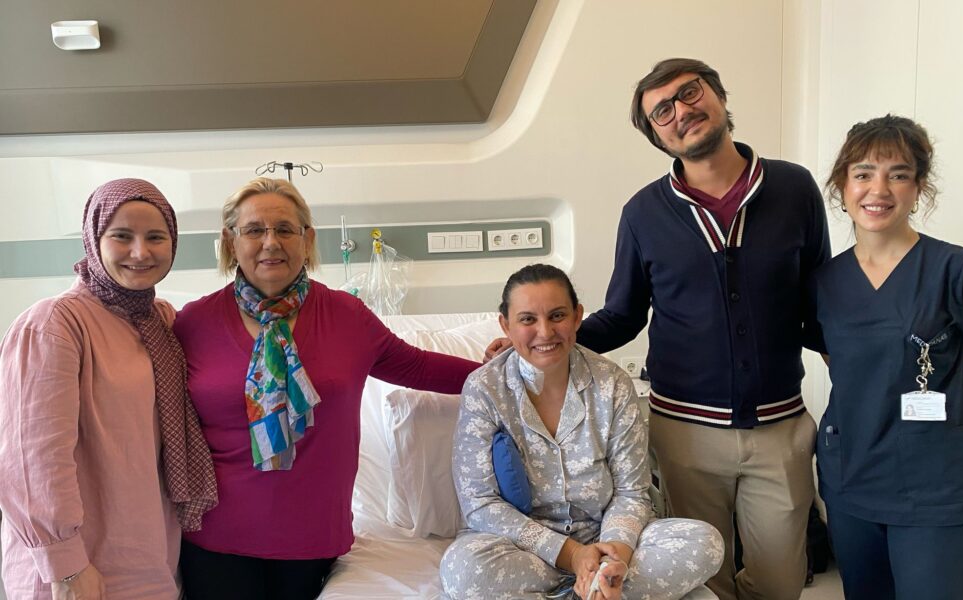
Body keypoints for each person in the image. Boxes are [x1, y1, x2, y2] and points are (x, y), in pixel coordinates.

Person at [488, 58, 830, 600]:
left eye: (689, 93)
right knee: (704, 578)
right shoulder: (644, 213)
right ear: (657, 136)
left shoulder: (793, 188)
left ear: (717, 94)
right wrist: (540, 341)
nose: (681, 112)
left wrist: (859, 361)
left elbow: (820, 299)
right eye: (662, 112)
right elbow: (624, 315)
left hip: (779, 425)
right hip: (685, 430)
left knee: (780, 582)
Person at [172, 177, 481, 600]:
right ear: (230, 241)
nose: (270, 242)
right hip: (215, 536)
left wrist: (504, 372)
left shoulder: (347, 316)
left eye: (285, 229)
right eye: (254, 230)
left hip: (311, 535)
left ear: (308, 239)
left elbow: (419, 366)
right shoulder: (192, 323)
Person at [805, 115, 963, 599]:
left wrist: (940, 439)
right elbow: (847, 369)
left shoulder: (961, 270)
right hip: (850, 479)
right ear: (843, 185)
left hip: (939, 491)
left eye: (899, 175)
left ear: (918, 188)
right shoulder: (824, 283)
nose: (879, 189)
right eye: (863, 173)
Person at [443, 263, 724, 600]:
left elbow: (631, 492)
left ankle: (597, 587)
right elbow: (479, 502)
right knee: (464, 570)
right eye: (528, 319)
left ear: (577, 316)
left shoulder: (612, 384)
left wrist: (613, 560)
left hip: (606, 539)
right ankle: (594, 592)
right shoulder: (485, 389)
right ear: (506, 325)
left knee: (705, 543)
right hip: (523, 551)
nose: (545, 332)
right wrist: (573, 555)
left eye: (557, 316)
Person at [0, 179, 218, 600]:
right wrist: (66, 567)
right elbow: (31, 461)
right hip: (81, 568)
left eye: (155, 237)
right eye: (121, 236)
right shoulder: (53, 324)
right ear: (93, 239)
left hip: (151, 558)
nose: (140, 252)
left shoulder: (162, 321)